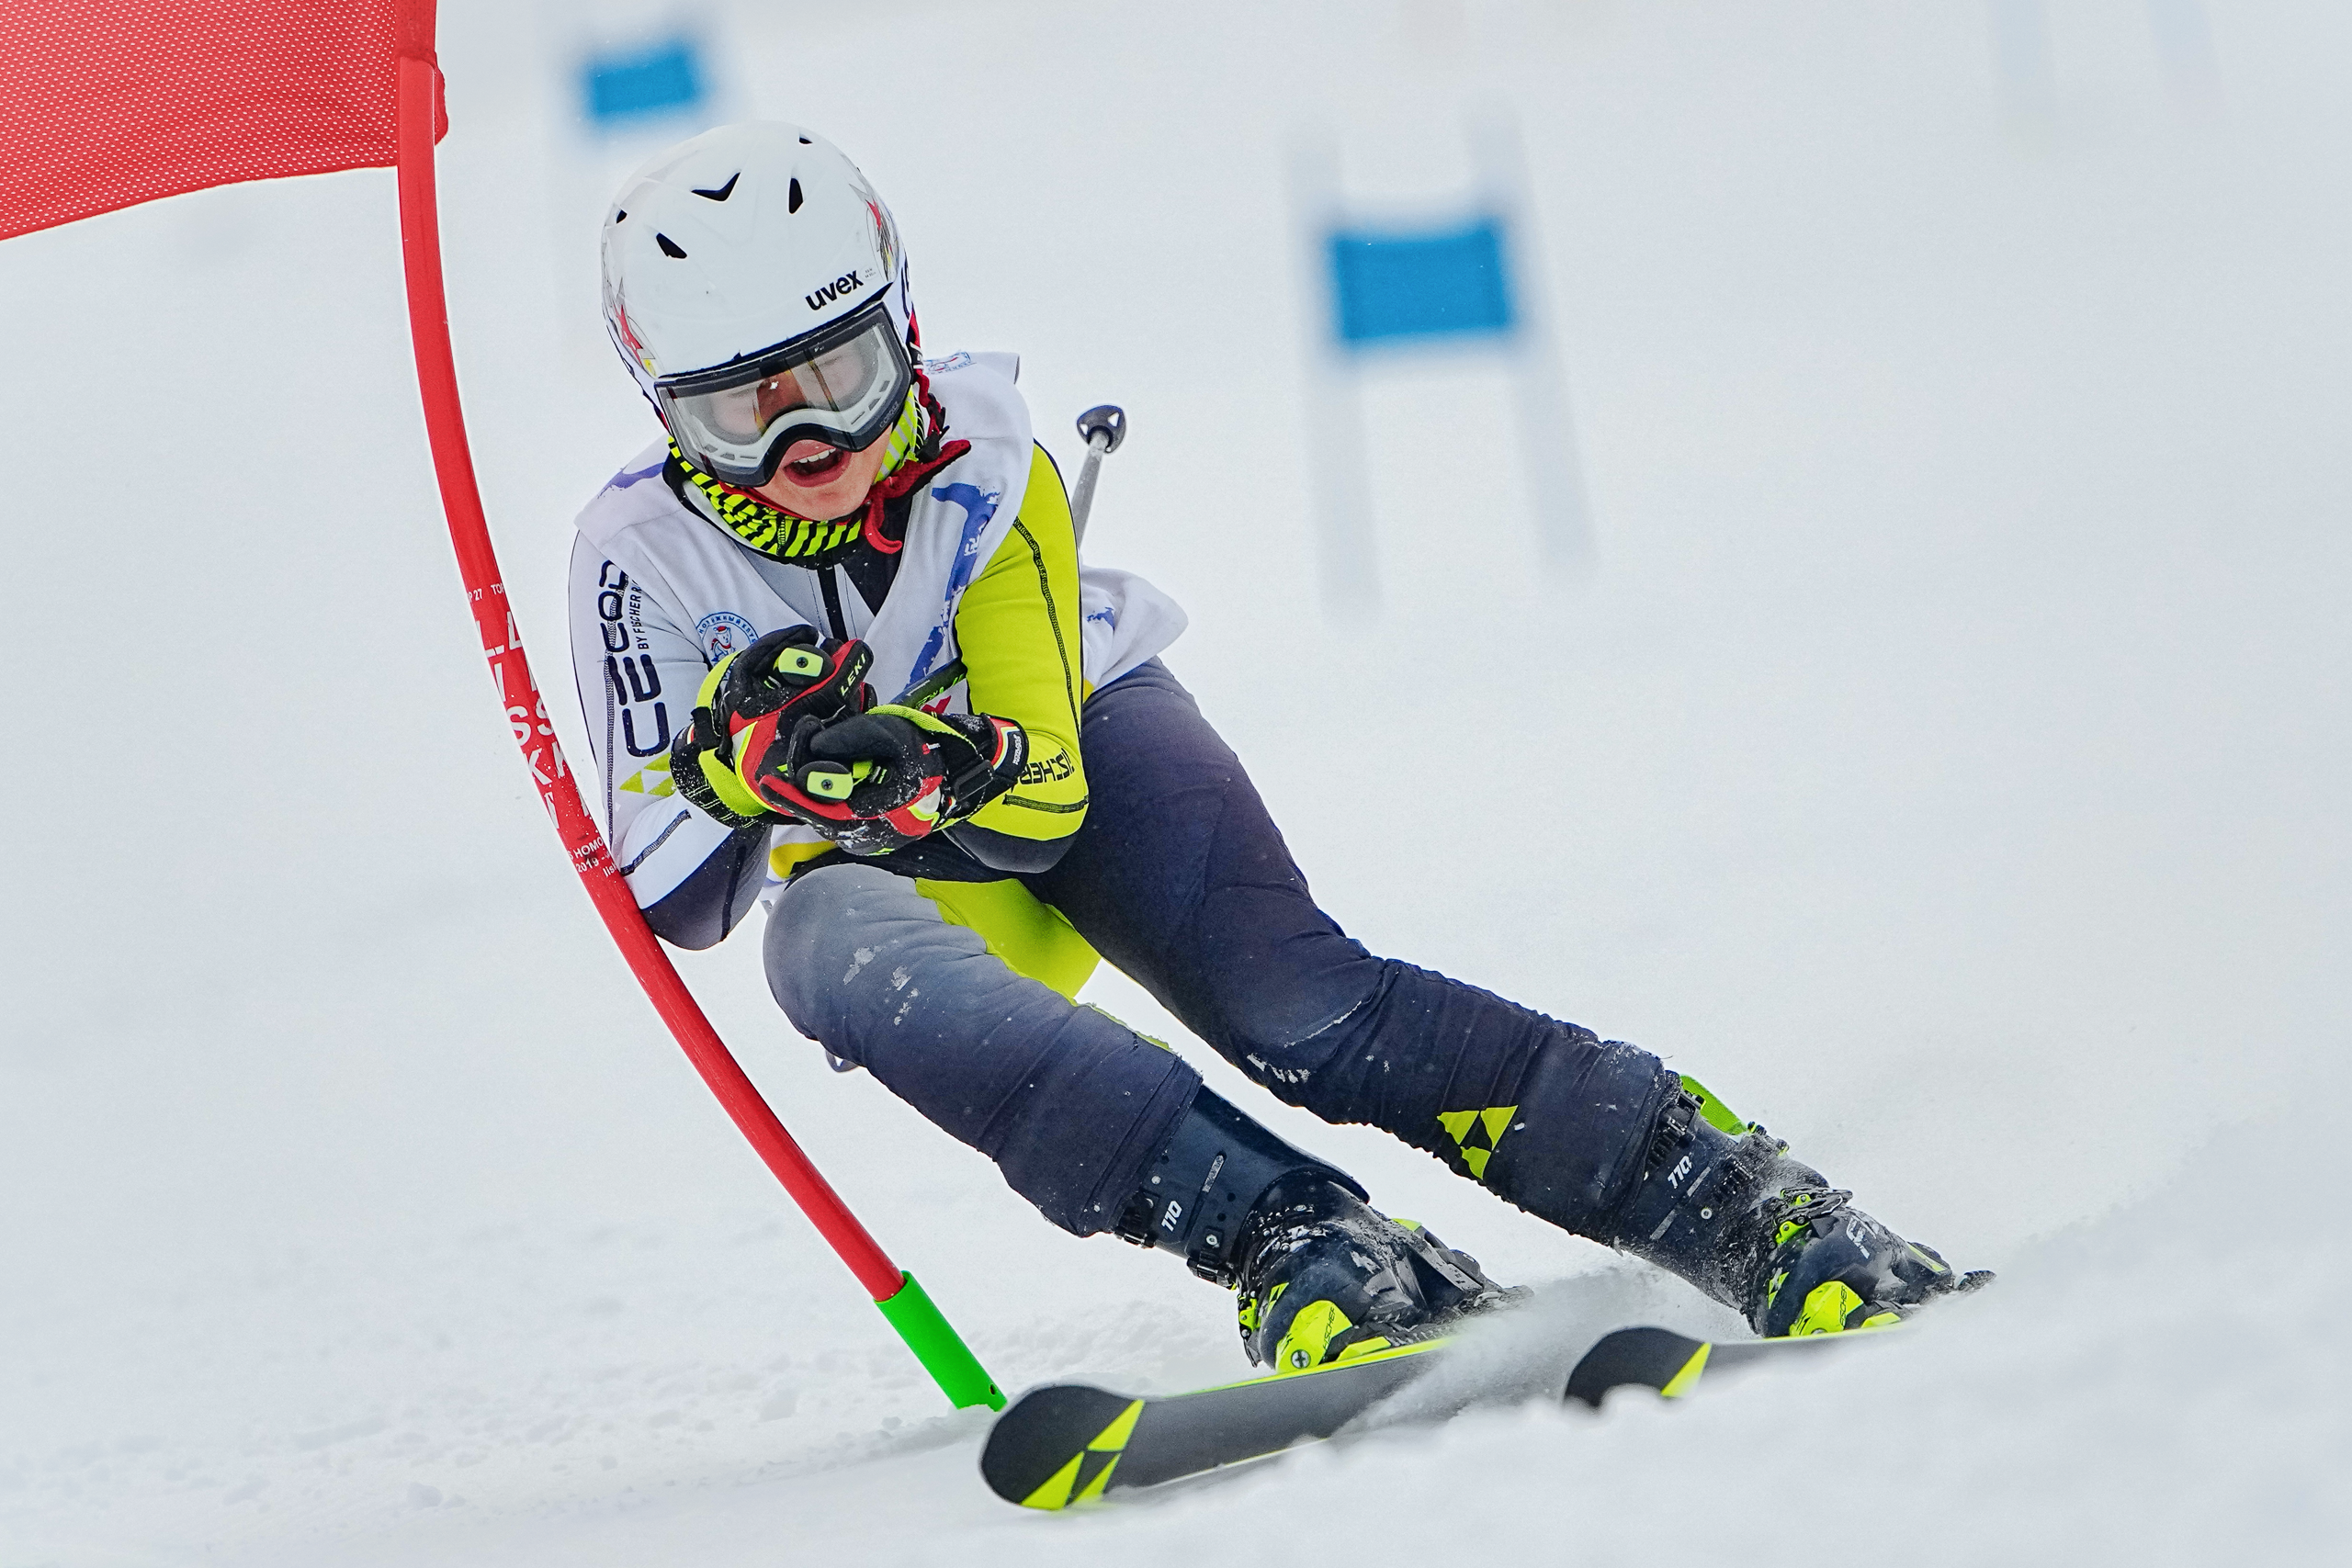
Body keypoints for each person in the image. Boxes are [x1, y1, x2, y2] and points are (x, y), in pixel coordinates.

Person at [568, 122, 1982, 1375]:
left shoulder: (986, 463)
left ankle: (1731, 1195)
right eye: (740, 405)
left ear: (906, 326)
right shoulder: (637, 561)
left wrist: (920, 763)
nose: (812, 433)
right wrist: (739, 763)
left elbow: (1045, 806)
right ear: (662, 409)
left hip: (1075, 747)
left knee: (1298, 1010)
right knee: (817, 941)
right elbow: (679, 898)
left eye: (845, 369)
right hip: (911, 894)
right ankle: (1298, 1236)